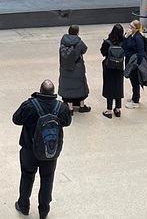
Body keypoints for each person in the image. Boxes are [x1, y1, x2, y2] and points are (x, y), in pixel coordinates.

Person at [12, 79, 73, 219]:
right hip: (50, 151)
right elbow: (67, 122)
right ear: (53, 92)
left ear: (40, 91)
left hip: (29, 150)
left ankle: (23, 205)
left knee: (27, 176)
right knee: (47, 179)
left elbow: (16, 119)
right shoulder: (61, 107)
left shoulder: (30, 105)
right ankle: (44, 211)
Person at [57, 25, 90, 113]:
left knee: (68, 86)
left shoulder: (63, 40)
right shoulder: (79, 42)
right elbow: (84, 50)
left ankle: (70, 108)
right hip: (77, 67)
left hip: (65, 67)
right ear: (77, 32)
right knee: (80, 84)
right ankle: (82, 106)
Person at [100, 23, 127, 117]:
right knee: (118, 86)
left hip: (109, 67)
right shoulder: (123, 42)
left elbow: (103, 52)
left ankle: (109, 110)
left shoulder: (107, 42)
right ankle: (118, 109)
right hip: (119, 67)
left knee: (109, 86)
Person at [123, 20, 147, 109]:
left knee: (135, 81)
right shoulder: (132, 36)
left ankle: (136, 100)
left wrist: (137, 63)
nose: (130, 28)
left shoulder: (138, 37)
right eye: (130, 26)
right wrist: (126, 36)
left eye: (132, 27)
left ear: (136, 29)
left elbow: (141, 52)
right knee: (132, 80)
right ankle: (134, 97)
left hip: (134, 62)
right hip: (130, 60)